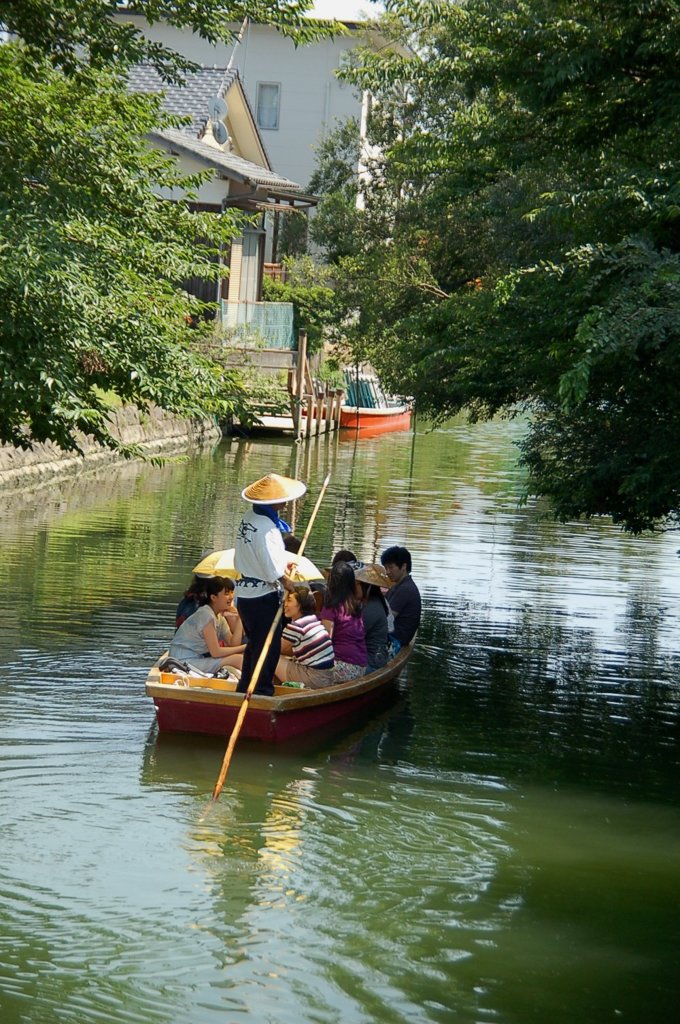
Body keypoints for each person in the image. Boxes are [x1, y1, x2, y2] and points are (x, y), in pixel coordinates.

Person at [234, 472, 307, 696]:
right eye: (282, 499)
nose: (285, 503)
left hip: (244, 595)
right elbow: (270, 567)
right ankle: (261, 690)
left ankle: (245, 687)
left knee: (255, 645)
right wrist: (289, 583)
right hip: (261, 596)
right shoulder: (267, 528)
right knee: (268, 647)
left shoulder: (249, 517)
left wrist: (280, 569)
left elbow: (261, 558)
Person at [168, 576, 245, 675]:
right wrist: (244, 647)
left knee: (240, 657)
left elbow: (233, 643)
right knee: (238, 659)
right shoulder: (206, 615)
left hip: (195, 659)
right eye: (226, 594)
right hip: (182, 661)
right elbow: (215, 652)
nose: (231, 597)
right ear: (213, 597)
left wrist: (240, 618)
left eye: (231, 592)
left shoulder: (219, 618)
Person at [276, 587, 335, 689]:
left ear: (300, 604)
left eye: (289, 600)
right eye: (285, 600)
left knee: (270, 659)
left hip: (314, 678)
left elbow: (272, 649)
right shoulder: (313, 619)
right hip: (327, 676)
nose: (285, 604)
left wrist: (239, 649)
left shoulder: (296, 626)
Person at [320, 561, 368, 681]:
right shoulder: (355, 606)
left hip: (342, 666)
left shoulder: (331, 607)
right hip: (361, 666)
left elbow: (325, 642)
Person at [380, 545, 421, 650]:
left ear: (403, 567)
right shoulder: (400, 585)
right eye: (386, 568)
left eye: (390, 567)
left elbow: (386, 619)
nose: (387, 572)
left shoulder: (405, 589)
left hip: (395, 640)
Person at [355, 563, 392, 673]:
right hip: (365, 657)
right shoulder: (367, 602)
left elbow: (353, 636)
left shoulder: (371, 607)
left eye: (355, 584)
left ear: (365, 586)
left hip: (372, 662)